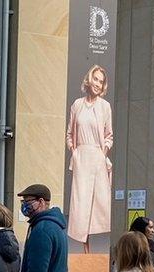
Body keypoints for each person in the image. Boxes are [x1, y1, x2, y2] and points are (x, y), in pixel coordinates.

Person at [66, 64, 114, 253]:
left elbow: (109, 135)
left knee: (98, 203)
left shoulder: (105, 106)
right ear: (89, 79)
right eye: (96, 79)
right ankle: (82, 247)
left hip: (97, 156)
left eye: (101, 81)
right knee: (80, 201)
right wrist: (74, 151)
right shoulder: (77, 105)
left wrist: (103, 153)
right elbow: (69, 133)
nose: (98, 84)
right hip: (81, 157)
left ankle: (92, 251)